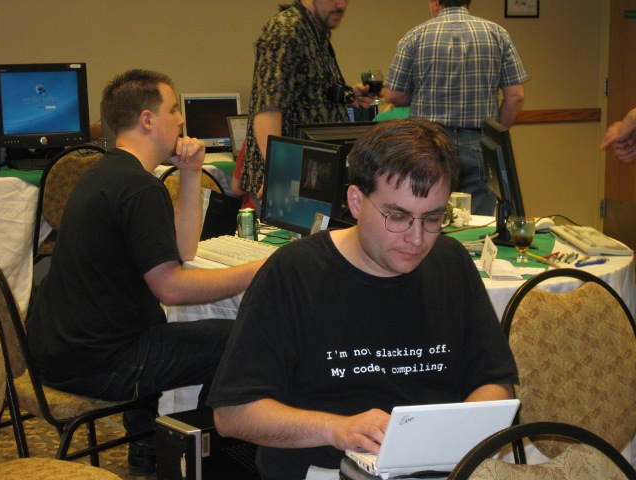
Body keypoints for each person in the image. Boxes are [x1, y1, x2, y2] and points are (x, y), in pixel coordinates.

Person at [209, 118, 519, 480]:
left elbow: (495, 382)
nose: (417, 239)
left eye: (433, 218)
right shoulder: (293, 273)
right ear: (356, 202)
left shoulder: (451, 262)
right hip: (324, 469)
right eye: (398, 217)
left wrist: (457, 439)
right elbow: (233, 414)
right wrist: (336, 429)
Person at [26, 69, 265, 476]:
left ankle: (146, 447)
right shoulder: (139, 188)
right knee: (239, 340)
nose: (181, 119)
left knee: (162, 326)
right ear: (148, 120)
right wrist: (257, 271)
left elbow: (182, 251)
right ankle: (202, 459)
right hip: (100, 364)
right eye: (172, 110)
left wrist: (190, 172)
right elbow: (171, 288)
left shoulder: (104, 172)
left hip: (57, 352)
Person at [382, 0, 528, 215]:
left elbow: (394, 94)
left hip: (428, 141)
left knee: (429, 215)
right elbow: (516, 96)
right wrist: (494, 137)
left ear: (435, 3)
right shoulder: (497, 34)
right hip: (478, 142)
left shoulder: (415, 36)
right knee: (477, 222)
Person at [237, 0, 371, 208]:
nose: (341, 5)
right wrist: (278, 172)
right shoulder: (285, 30)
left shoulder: (315, 33)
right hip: (290, 180)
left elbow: (310, 93)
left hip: (312, 176)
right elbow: (267, 110)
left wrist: (347, 95)